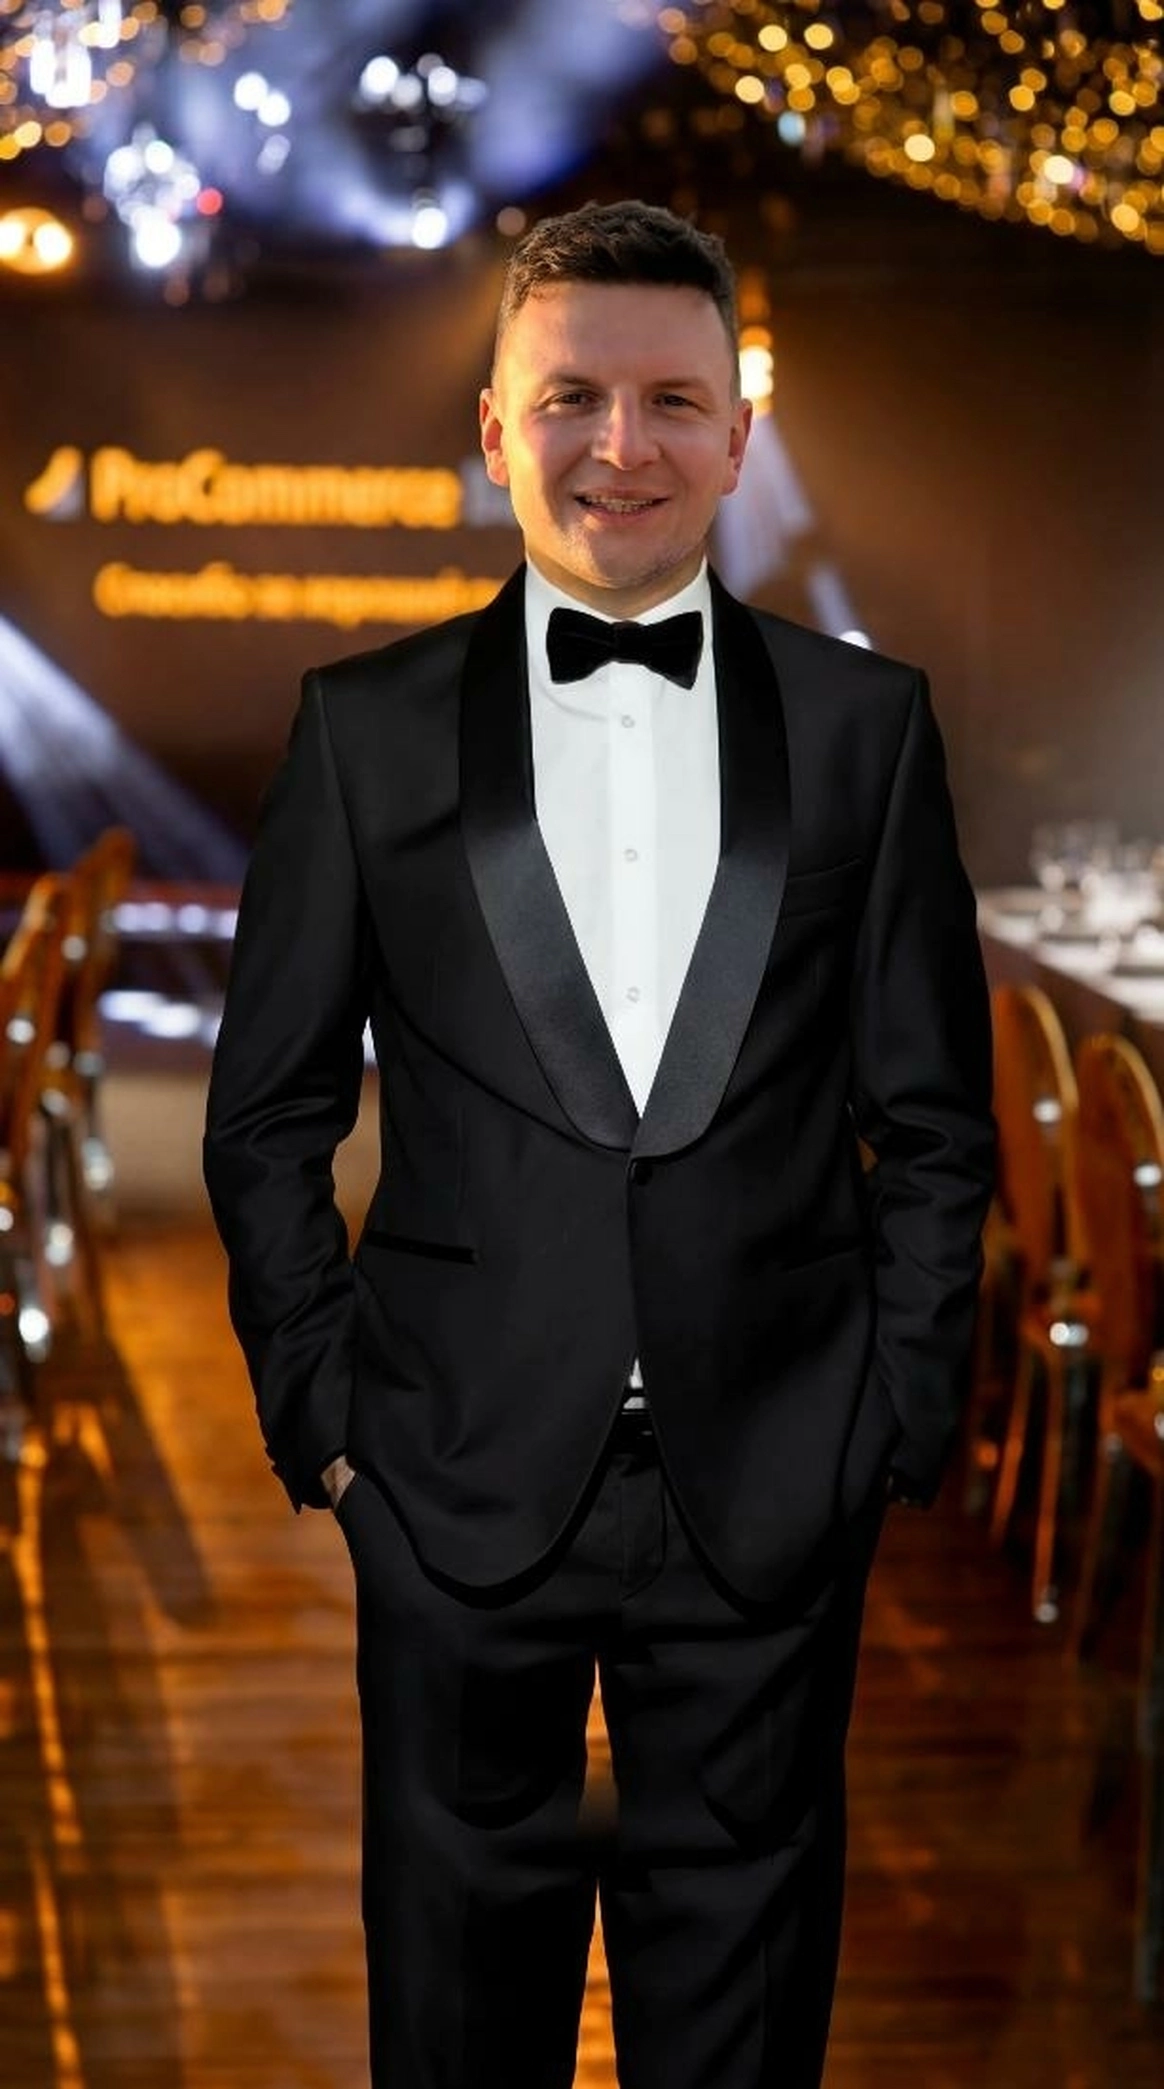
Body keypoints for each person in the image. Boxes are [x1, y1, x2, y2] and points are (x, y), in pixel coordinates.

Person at [203, 199, 994, 2089]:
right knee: (454, 2022)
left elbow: (936, 1121)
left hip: (774, 1486)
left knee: (744, 2027)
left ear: (739, 435)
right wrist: (329, 1424)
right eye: (571, 398)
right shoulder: (363, 732)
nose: (618, 447)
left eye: (670, 402)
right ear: (495, 429)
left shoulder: (868, 729)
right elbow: (269, 1114)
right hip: (449, 1477)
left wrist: (889, 1412)